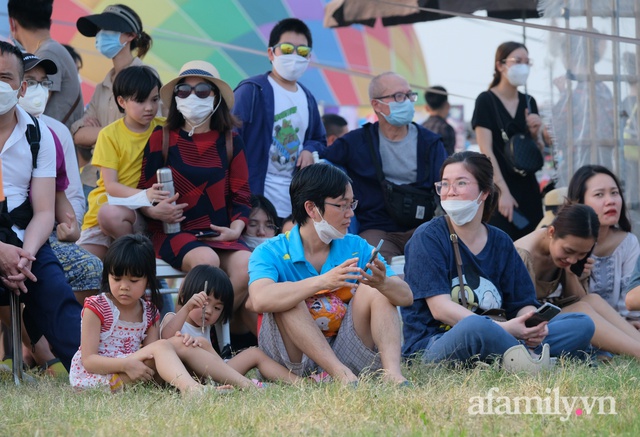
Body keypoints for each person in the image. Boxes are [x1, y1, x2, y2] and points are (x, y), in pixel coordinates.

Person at [401, 151, 594, 365]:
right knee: (476, 327)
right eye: (444, 184)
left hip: (504, 333)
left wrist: (532, 326)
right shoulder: (428, 237)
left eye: (461, 183)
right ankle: (529, 359)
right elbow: (440, 309)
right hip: (436, 343)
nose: (450, 192)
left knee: (582, 324)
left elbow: (522, 303)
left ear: (484, 192)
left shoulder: (501, 241)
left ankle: (518, 355)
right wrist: (505, 329)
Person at [249, 164, 412, 385]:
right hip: (293, 361)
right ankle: (339, 374)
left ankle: (392, 374)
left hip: (349, 354)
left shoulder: (357, 245)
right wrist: (322, 282)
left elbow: (406, 297)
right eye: (342, 205)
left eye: (351, 204)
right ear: (311, 208)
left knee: (379, 290)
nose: (350, 213)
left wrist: (383, 283)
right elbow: (259, 299)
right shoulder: (270, 251)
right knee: (287, 297)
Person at [138, 60, 255, 338]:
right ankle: (177, 341)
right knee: (207, 262)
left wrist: (235, 228)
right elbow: (142, 192)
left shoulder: (230, 140)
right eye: (183, 91)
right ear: (175, 98)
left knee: (248, 266)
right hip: (173, 233)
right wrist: (155, 212)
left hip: (219, 233)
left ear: (216, 98)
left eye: (202, 91)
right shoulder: (161, 137)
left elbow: (242, 196)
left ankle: (211, 341)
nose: (192, 97)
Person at [69, 234, 260, 394]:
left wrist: (184, 343)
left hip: (135, 373)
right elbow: (89, 361)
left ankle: (246, 385)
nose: (124, 287)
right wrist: (126, 365)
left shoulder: (149, 312)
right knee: (163, 346)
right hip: (98, 379)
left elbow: (154, 355)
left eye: (134, 280)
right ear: (107, 277)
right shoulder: (97, 307)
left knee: (176, 343)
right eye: (116, 278)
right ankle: (194, 391)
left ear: (147, 280)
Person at [0, 41, 82, 371]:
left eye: (5, 77)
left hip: (26, 241)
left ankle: (88, 367)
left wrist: (25, 257)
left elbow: (45, 211)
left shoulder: (39, 134)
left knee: (54, 293)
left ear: (20, 86)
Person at [321, 72, 447, 262]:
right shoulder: (358, 142)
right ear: (376, 105)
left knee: (431, 261)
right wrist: (307, 150)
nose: (406, 102)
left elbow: (446, 186)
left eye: (409, 95)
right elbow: (323, 153)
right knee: (376, 268)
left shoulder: (430, 143)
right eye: (398, 96)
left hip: (421, 228)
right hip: (376, 230)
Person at [18, 53, 101, 303]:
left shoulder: (57, 132)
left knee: (92, 269)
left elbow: (71, 194)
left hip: (48, 234)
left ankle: (52, 334)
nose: (39, 90)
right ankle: (31, 336)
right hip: (9, 233)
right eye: (30, 81)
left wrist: (71, 228)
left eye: (44, 83)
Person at [515, 203, 640, 359]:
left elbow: (579, 299)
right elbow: (524, 316)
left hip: (544, 323)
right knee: (581, 311)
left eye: (581, 254)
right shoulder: (523, 256)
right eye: (569, 251)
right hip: (523, 331)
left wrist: (571, 273)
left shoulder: (564, 256)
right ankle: (637, 353)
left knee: (592, 300)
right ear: (552, 232)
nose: (573, 259)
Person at [232, 17, 326, 220]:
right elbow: (229, 139)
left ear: (309, 57)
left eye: (302, 51)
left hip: (293, 202)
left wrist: (310, 149)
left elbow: (319, 139)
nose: (294, 55)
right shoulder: (251, 91)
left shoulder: (307, 98)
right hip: (253, 199)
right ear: (271, 53)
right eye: (286, 48)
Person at [77, 65, 166, 260]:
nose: (150, 107)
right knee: (82, 270)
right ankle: (134, 262)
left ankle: (137, 262)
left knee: (112, 218)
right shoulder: (109, 135)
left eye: (154, 99)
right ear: (121, 101)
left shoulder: (165, 128)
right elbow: (111, 186)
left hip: (140, 216)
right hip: (104, 214)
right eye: (140, 101)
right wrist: (145, 195)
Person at [160, 265, 300, 385]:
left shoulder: (208, 327)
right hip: (184, 374)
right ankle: (247, 384)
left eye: (217, 308)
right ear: (185, 296)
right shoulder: (173, 318)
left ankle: (299, 382)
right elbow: (165, 339)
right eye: (204, 302)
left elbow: (215, 361)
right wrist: (187, 308)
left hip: (214, 373)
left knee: (254, 353)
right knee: (200, 343)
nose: (209, 311)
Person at [472, 41, 544, 240]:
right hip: (499, 185)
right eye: (517, 61)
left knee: (533, 242)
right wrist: (502, 191)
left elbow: (535, 153)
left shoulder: (529, 101)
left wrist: (536, 132)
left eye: (527, 62)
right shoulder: (485, 100)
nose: (523, 66)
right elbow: (486, 150)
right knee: (503, 242)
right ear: (500, 65)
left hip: (528, 187)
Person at [71, 3, 155, 170]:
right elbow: (78, 134)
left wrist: (98, 132)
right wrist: (121, 129)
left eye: (107, 29)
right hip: (94, 178)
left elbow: (147, 133)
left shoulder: (147, 77)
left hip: (128, 178)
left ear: (130, 35)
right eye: (99, 30)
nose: (100, 35)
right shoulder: (103, 85)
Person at [566, 165, 640, 322]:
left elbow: (630, 305)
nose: (611, 201)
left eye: (614, 193)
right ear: (580, 202)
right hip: (580, 326)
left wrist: (632, 323)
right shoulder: (566, 245)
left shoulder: (628, 243)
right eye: (599, 194)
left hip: (625, 328)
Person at [8, 0, 83, 129]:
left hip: (55, 143)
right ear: (49, 22)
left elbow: (34, 108)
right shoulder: (51, 50)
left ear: (12, 23)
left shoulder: (47, 54)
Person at [423, 85, 455, 156]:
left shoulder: (421, 127)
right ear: (447, 105)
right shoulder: (446, 128)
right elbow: (449, 159)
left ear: (427, 108)